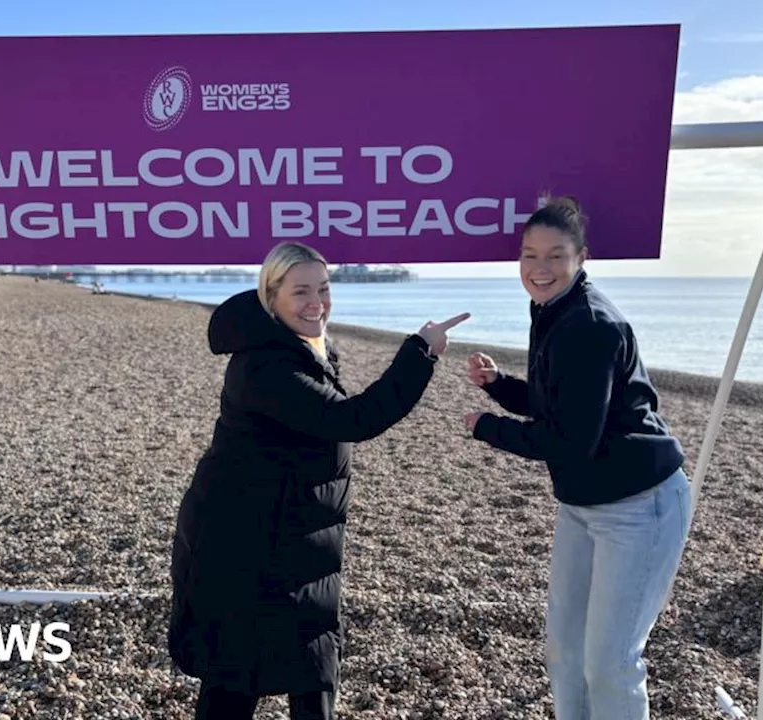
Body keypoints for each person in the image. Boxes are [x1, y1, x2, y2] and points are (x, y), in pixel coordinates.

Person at [168, 241, 469, 720]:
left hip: (289, 537)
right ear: (272, 298)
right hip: (242, 548)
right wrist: (419, 353)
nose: (317, 303)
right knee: (237, 678)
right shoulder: (265, 366)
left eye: (324, 289)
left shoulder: (302, 346)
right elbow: (353, 419)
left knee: (310, 667)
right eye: (301, 291)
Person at [462, 195, 691, 720]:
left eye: (555, 256)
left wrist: (488, 428)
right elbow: (557, 406)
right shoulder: (552, 310)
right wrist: (499, 387)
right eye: (529, 255)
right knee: (565, 651)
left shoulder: (589, 325)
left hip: (641, 505)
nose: (539, 269)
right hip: (584, 503)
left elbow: (569, 440)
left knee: (610, 662)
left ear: (581, 257)